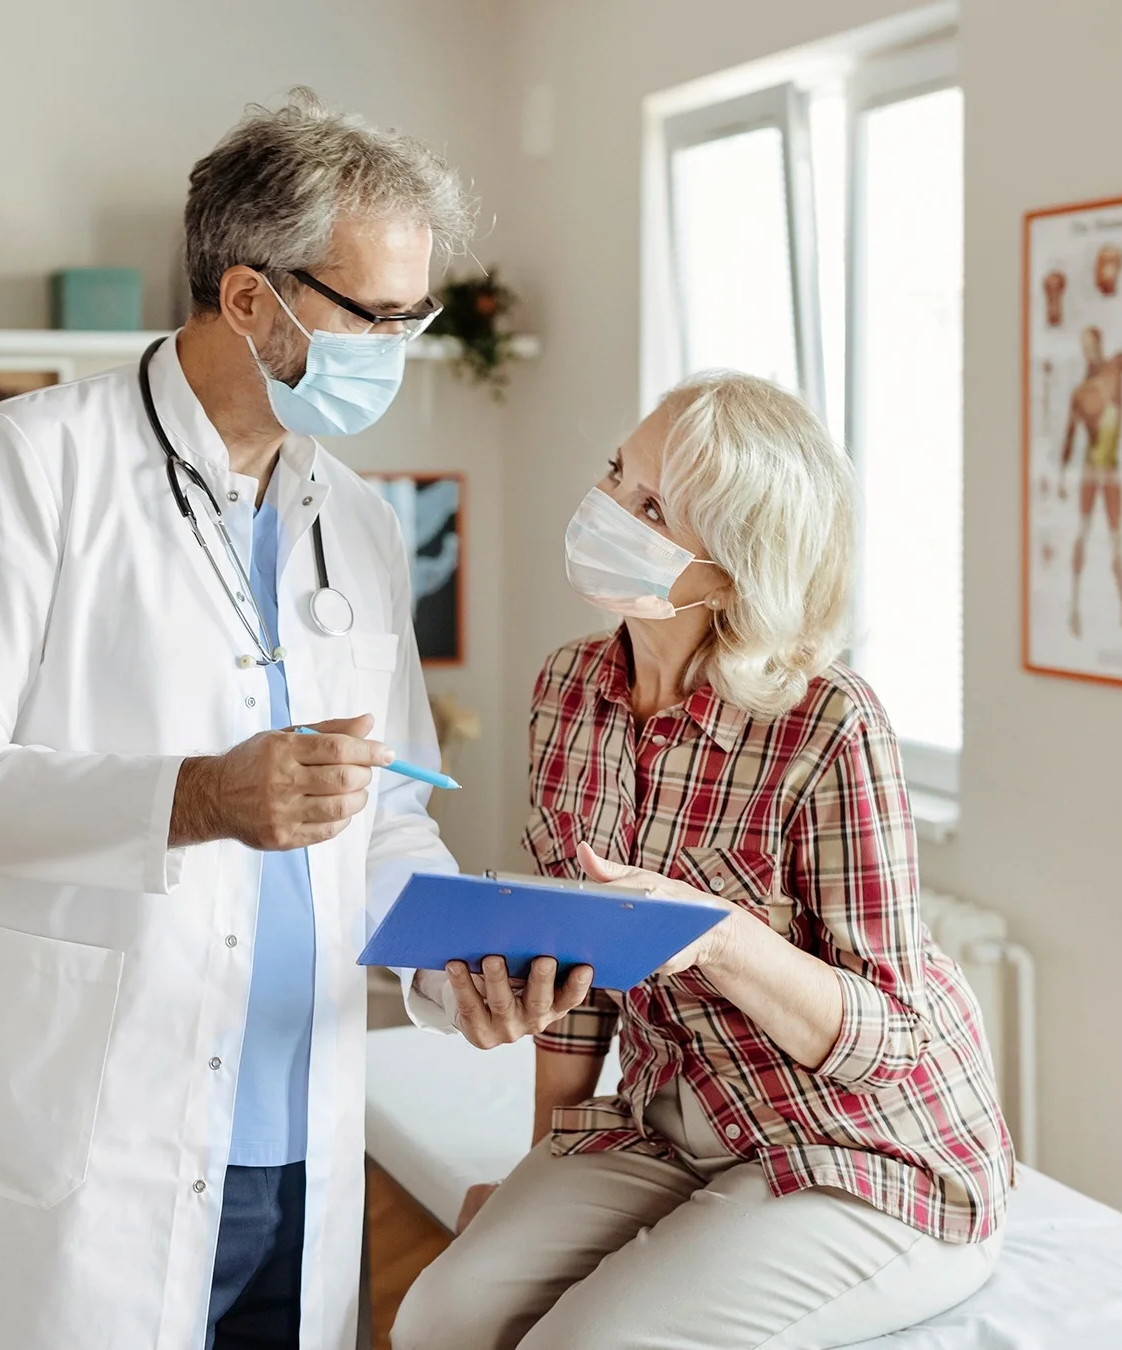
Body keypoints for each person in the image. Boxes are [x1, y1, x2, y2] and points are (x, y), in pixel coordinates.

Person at [0, 92, 570, 1350]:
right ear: (251, 299)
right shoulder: (29, 464)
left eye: (418, 318)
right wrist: (194, 797)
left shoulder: (355, 517)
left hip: (296, 1130)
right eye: (376, 317)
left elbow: (386, 805)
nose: (402, 350)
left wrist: (447, 969)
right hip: (87, 1130)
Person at [392, 372, 1013, 1350]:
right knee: (440, 1317)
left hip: (857, 1143)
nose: (604, 509)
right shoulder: (569, 691)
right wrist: (537, 1172)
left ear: (727, 574)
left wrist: (719, 938)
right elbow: (580, 976)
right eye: (616, 474)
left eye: (649, 508)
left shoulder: (829, 726)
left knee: (582, 1346)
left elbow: (888, 1034)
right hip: (674, 1119)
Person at [1060, 318, 1122, 637]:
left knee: (1116, 539)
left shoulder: (1114, 369)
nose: (1089, 352)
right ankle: (1073, 608)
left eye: (1092, 345)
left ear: (1099, 344)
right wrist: (1060, 475)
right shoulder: (1081, 391)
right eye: (1084, 347)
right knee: (1083, 532)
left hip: (1110, 468)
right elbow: (1070, 435)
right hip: (1091, 468)